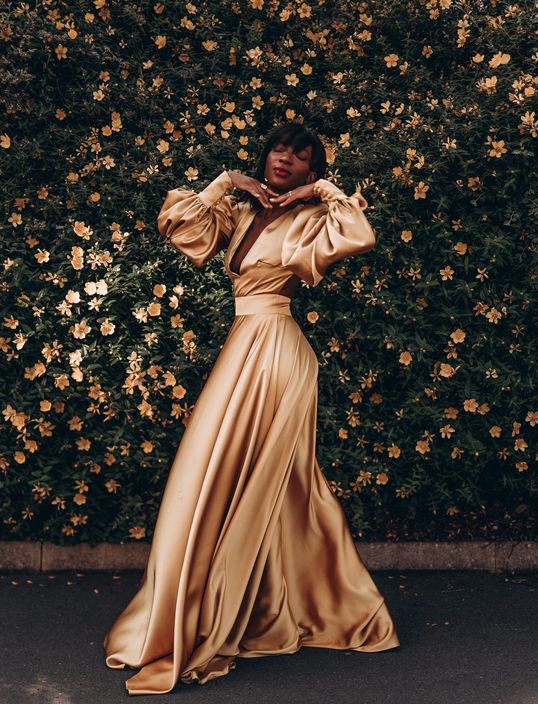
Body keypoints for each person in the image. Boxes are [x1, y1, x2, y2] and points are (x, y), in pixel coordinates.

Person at [103, 122, 400, 696]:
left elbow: (359, 234)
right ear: (265, 156)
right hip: (243, 347)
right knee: (243, 484)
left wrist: (325, 193)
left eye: (301, 156)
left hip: (278, 356)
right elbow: (178, 225)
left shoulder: (312, 217)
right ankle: (271, 599)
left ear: (311, 169)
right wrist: (225, 182)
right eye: (279, 149)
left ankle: (322, 603)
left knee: (270, 483)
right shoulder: (238, 213)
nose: (285, 159)